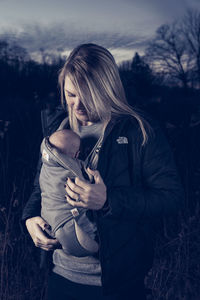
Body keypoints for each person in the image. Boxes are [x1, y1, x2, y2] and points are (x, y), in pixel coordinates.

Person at [22, 43, 183, 300]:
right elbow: (40, 186)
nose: (78, 105)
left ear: (107, 90)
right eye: (71, 94)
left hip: (115, 286)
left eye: (88, 95)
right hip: (60, 278)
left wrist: (109, 201)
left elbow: (171, 197)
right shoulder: (58, 127)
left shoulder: (138, 130)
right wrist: (30, 218)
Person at [40, 129, 99, 257]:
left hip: (48, 217)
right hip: (66, 218)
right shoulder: (75, 168)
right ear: (77, 154)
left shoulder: (46, 162)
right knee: (87, 234)